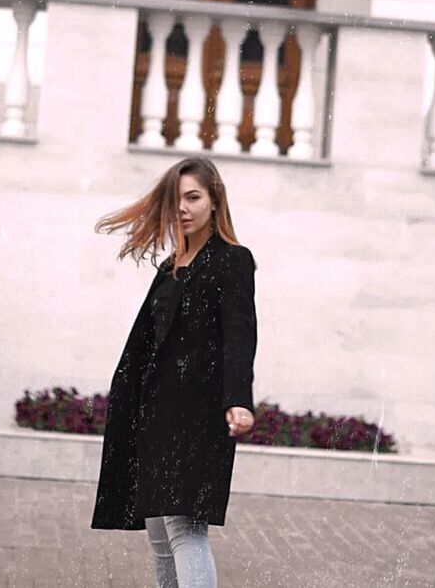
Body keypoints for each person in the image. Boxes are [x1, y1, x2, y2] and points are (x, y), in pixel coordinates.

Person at [90, 155, 258, 588]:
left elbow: (240, 335)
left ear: (215, 200)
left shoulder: (232, 260)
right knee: (160, 532)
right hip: (158, 411)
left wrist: (238, 398)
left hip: (198, 413)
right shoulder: (172, 266)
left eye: (193, 197)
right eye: (176, 199)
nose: (183, 207)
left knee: (185, 527)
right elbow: (147, 342)